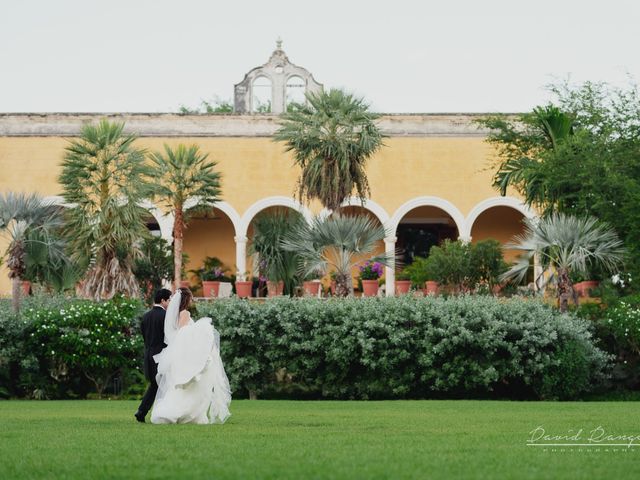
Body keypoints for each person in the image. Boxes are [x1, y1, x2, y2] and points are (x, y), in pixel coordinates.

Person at [150, 287, 231, 424]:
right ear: (187, 299)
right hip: (184, 352)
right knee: (190, 385)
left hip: (178, 353)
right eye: (191, 298)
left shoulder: (174, 314)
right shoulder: (185, 314)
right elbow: (182, 333)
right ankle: (182, 412)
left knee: (182, 385)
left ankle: (185, 411)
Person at [135, 288, 172, 423]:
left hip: (148, 355)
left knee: (156, 385)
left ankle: (143, 411)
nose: (170, 303)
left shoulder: (146, 316)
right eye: (169, 300)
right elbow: (168, 338)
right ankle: (146, 411)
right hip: (161, 356)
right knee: (161, 385)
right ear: (163, 300)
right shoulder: (166, 316)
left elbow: (145, 337)